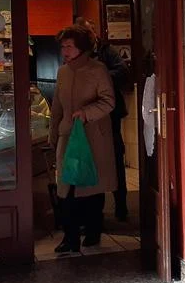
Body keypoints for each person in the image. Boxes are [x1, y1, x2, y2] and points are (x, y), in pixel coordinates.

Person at [49, 24, 118, 252]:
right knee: (66, 187)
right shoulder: (62, 72)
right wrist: (53, 133)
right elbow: (57, 106)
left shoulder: (97, 70)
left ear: (81, 48)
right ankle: (70, 238)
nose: (65, 51)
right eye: (62, 47)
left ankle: (93, 230)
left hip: (93, 136)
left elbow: (109, 101)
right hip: (68, 135)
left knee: (91, 187)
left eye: (69, 46)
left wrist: (86, 113)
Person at [75, 17, 130, 221]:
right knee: (91, 160)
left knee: (115, 158)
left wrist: (100, 76)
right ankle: (93, 212)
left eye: (88, 32)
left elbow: (123, 71)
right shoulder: (78, 54)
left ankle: (121, 206)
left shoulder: (107, 51)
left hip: (110, 114)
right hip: (86, 115)